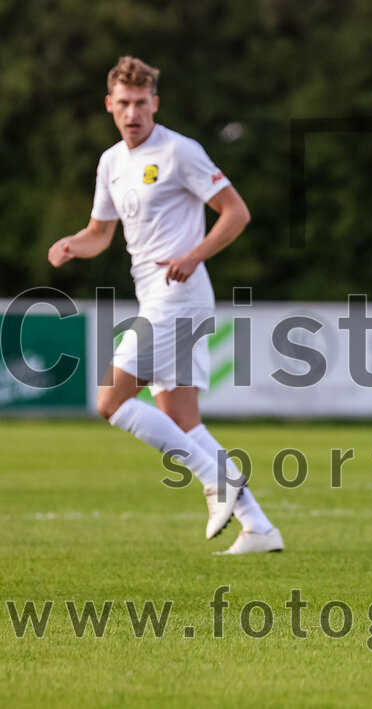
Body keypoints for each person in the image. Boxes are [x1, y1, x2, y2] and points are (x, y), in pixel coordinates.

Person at [47, 56, 282, 554]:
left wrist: (193, 255)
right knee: (181, 419)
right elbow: (99, 234)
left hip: (180, 296)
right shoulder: (112, 162)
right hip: (156, 296)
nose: (133, 112)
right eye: (124, 103)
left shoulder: (180, 152)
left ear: (155, 103)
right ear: (109, 105)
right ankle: (258, 527)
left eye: (141, 102)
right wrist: (73, 244)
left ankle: (216, 481)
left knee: (109, 401)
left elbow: (236, 212)